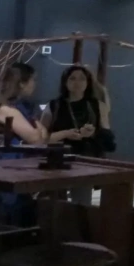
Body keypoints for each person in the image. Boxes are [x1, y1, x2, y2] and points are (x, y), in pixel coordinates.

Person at [0, 62, 76, 224]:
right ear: (21, 83)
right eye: (33, 80)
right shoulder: (6, 110)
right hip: (8, 168)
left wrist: (38, 130)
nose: (35, 84)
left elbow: (43, 136)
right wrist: (37, 130)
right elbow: (36, 138)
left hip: (21, 168)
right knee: (8, 214)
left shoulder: (22, 108)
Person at [41, 64, 112, 204]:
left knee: (81, 203)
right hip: (58, 160)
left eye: (82, 79)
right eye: (72, 78)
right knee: (55, 203)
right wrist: (65, 133)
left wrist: (92, 134)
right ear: (65, 82)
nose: (77, 82)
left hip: (85, 159)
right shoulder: (54, 106)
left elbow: (108, 140)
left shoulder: (97, 106)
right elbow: (41, 138)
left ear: (88, 82)